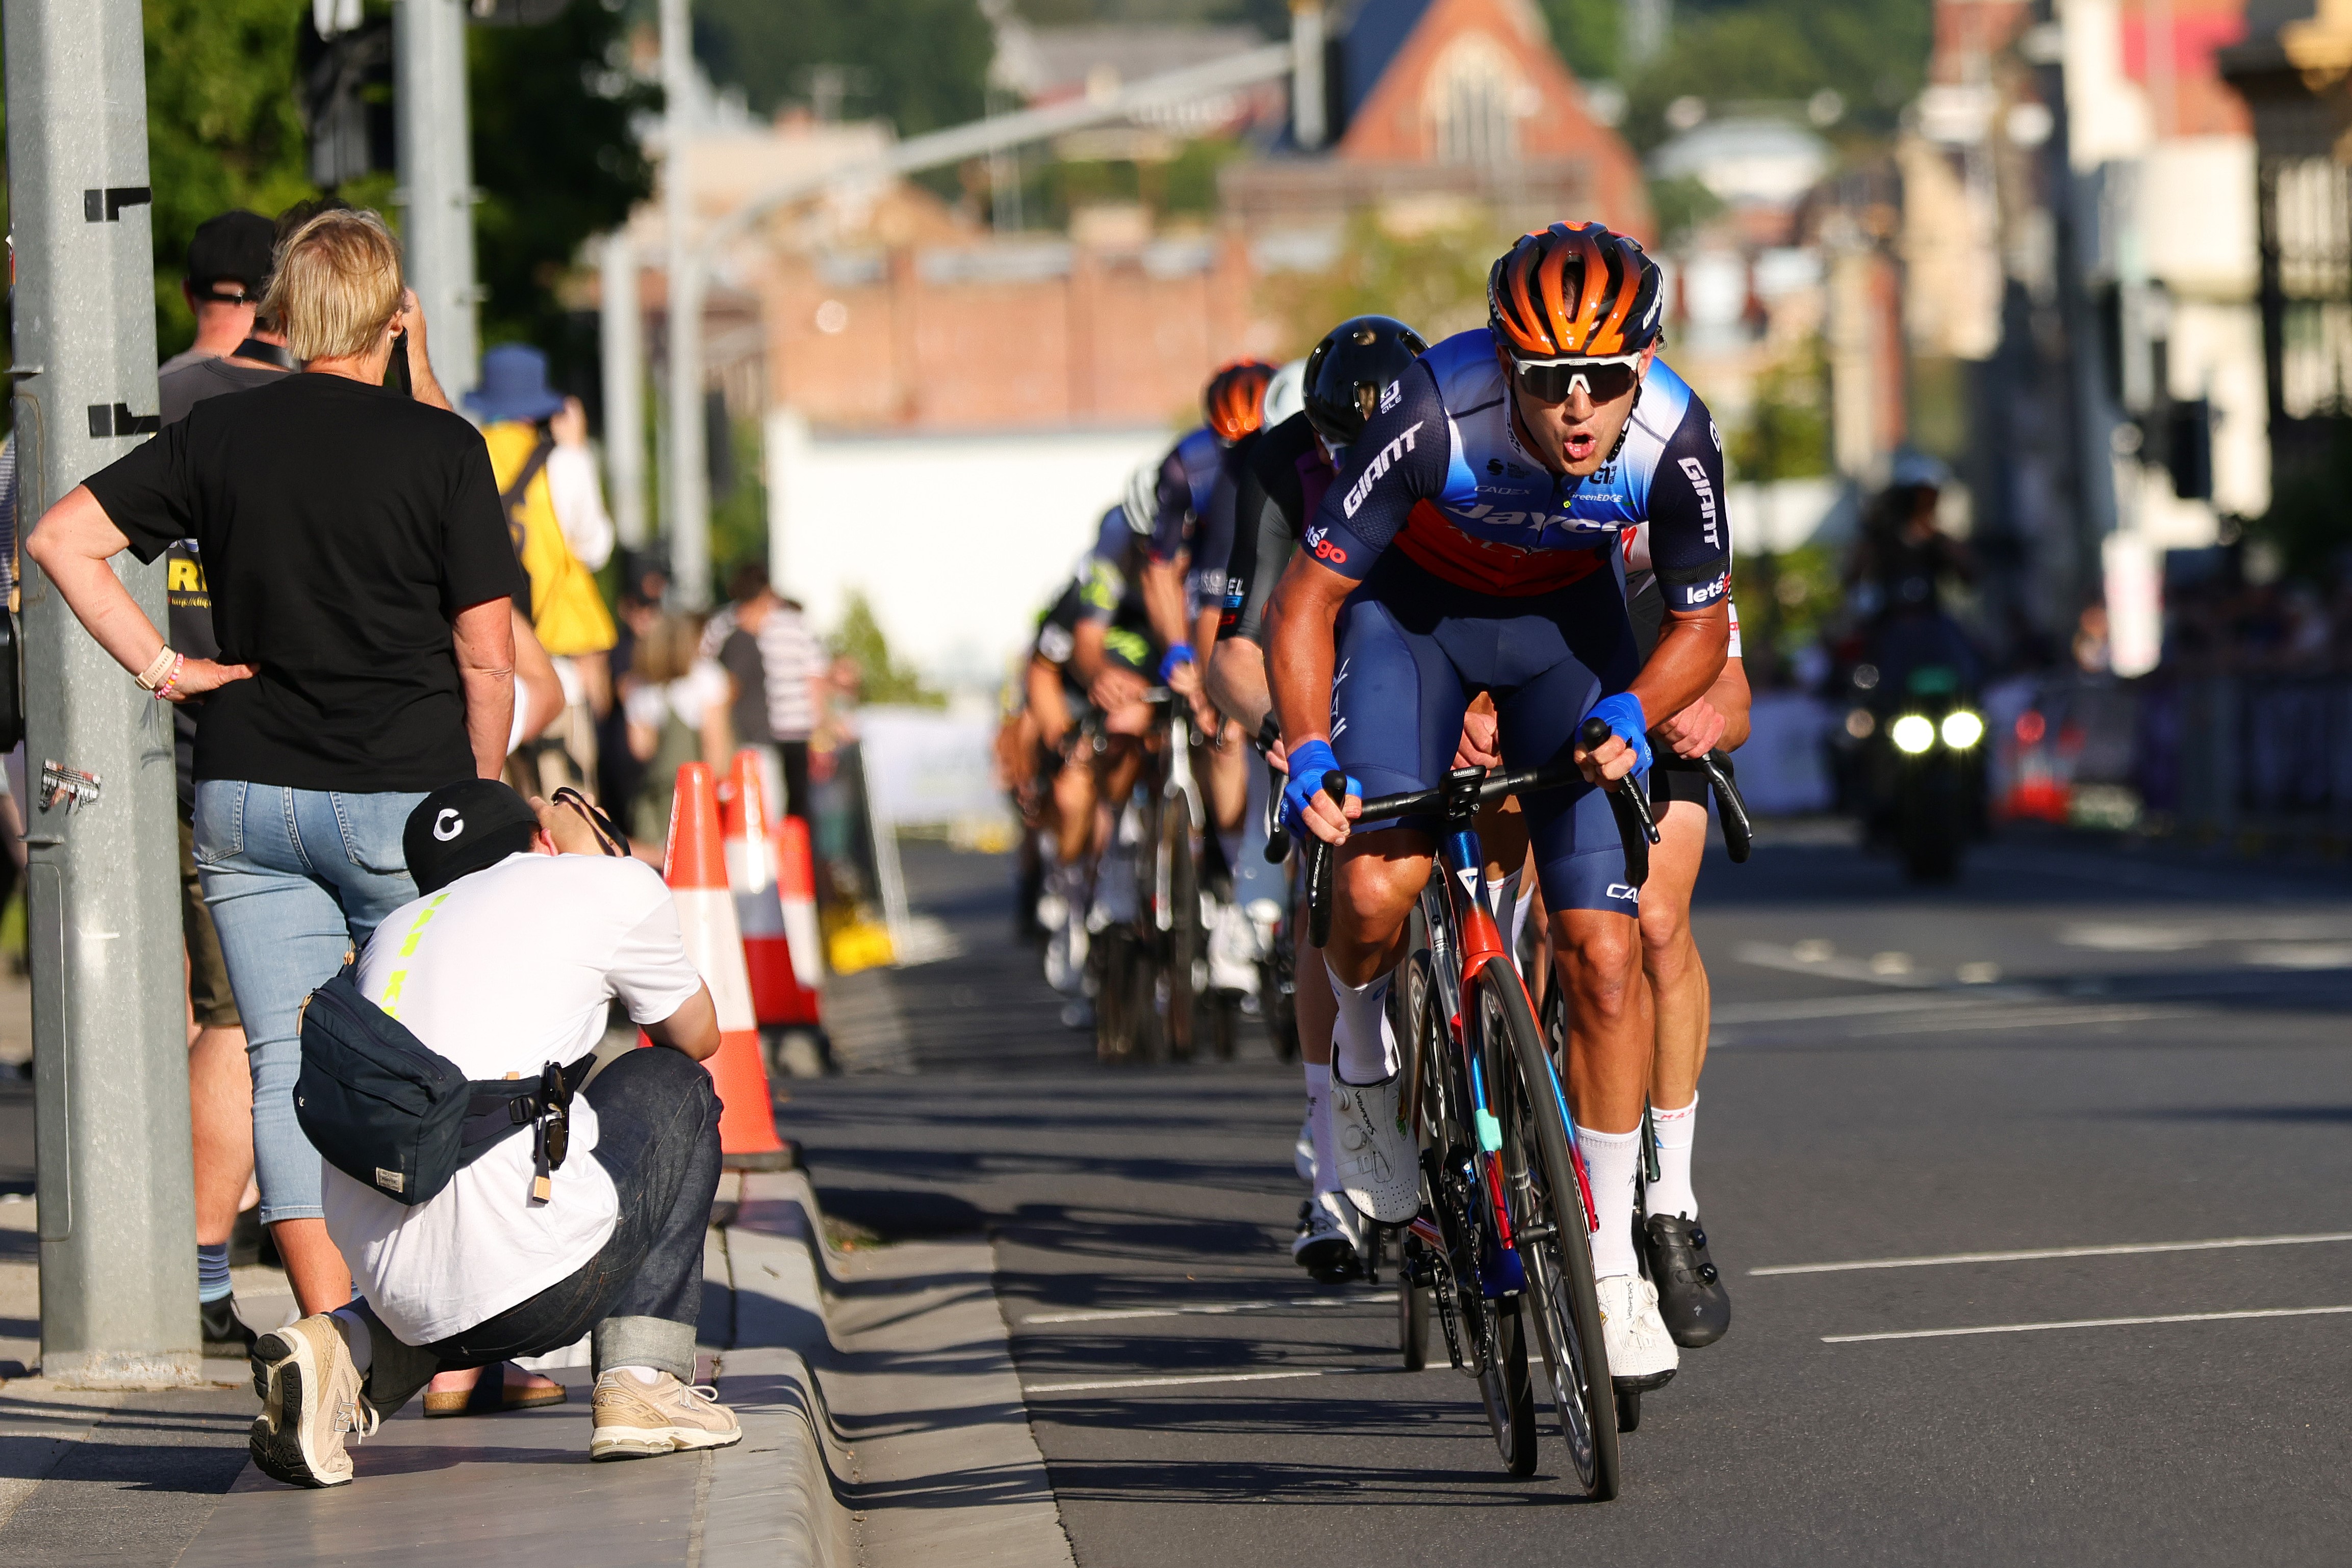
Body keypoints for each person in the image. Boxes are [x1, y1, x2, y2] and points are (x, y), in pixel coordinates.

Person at [23, 206, 523, 1325]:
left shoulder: (221, 434)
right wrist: (482, 794)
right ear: (393, 319)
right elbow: (486, 659)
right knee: (435, 1056)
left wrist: (165, 667)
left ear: (287, 317)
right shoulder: (442, 449)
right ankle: (447, 1325)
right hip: (404, 798)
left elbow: (60, 539)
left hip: (249, 794)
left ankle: (332, 1343)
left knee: (284, 1064)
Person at [1267, 222, 1732, 1391]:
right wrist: (1310, 751)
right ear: (1501, 367)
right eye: (1543, 384)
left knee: (1602, 953)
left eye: (1604, 382)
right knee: (1376, 883)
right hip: (1409, 622)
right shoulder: (1429, 411)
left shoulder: (1674, 438)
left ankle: (1614, 1267)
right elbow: (1303, 603)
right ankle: (1367, 1068)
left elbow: (1699, 625)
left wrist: (1632, 709)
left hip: (1559, 634)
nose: (1577, 411)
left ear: (1647, 362)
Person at [245, 781, 735, 1488]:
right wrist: (603, 853)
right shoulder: (603, 882)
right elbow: (698, 1034)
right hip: (543, 1280)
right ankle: (643, 1380)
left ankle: (342, 1345)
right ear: (543, 836)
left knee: (467, 1264)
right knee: (670, 1080)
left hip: (395, 1291)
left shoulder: (393, 931)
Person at [1205, 315, 1427, 1279]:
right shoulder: (1268, 468)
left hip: (1431, 651)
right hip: (1317, 668)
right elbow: (1234, 653)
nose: (1355, 462)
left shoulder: (1451, 438)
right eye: (1341, 445)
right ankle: (1331, 1163)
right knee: (1323, 882)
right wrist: (1288, 738)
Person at [468, 344, 618, 799]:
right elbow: (593, 547)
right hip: (556, 658)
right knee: (568, 802)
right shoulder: (562, 462)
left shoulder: (464, 454)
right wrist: (576, 449)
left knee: (504, 803)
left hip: (488, 655)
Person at [698, 562, 825, 821]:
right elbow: (815, 675)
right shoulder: (785, 626)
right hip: (778, 729)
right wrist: (820, 724)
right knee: (785, 810)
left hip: (753, 731)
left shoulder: (722, 626)